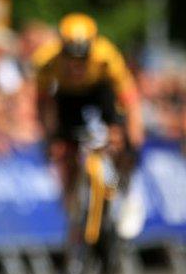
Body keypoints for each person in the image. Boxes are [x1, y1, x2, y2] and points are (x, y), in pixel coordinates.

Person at [33, 13, 145, 238]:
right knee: (65, 151)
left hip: (101, 94)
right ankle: (73, 208)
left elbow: (130, 101)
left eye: (82, 58)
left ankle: (124, 189)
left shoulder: (107, 57)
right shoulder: (46, 60)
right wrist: (50, 136)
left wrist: (133, 140)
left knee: (117, 142)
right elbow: (44, 102)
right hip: (67, 98)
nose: (76, 65)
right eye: (70, 58)